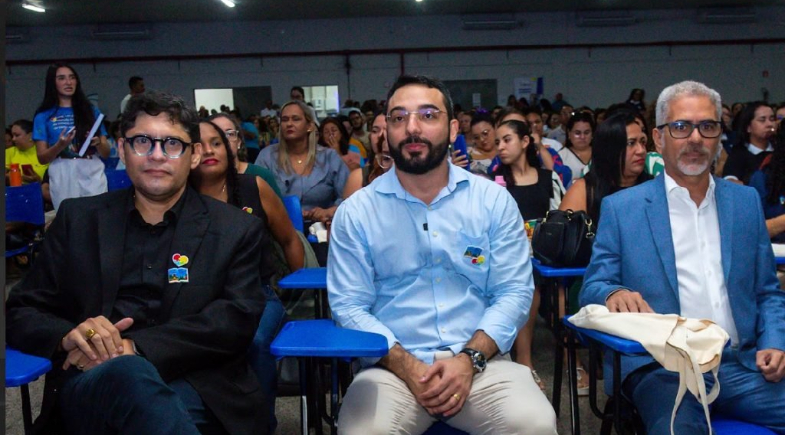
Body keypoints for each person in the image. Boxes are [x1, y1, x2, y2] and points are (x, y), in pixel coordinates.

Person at [6, 91, 273, 434]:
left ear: (192, 156)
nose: (157, 155)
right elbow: (21, 310)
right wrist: (70, 336)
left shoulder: (235, 229)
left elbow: (235, 320)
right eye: (142, 142)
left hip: (200, 384)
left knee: (136, 383)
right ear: (121, 150)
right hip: (92, 381)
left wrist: (133, 347)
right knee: (126, 379)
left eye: (172, 144)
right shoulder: (78, 219)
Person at [328, 74, 558, 435]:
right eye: (399, 117)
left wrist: (470, 359)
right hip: (390, 370)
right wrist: (407, 366)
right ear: (386, 130)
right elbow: (349, 306)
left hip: (484, 365)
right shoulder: (356, 212)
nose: (412, 128)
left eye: (428, 115)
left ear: (452, 130)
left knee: (536, 424)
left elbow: (513, 292)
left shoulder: (492, 201)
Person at [581, 80, 785, 435]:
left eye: (707, 126)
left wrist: (774, 341)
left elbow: (767, 291)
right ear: (659, 139)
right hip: (663, 367)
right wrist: (613, 294)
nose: (694, 138)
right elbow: (592, 287)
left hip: (740, 363)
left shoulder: (745, 203)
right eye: (680, 127)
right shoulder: (623, 209)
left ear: (720, 136)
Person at [191, 119, 301, 433]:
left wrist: (294, 292)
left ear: (230, 148)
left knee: (252, 341)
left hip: (259, 297)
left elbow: (290, 240)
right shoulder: (180, 198)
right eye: (199, 145)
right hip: (202, 301)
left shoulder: (255, 187)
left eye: (216, 142)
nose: (209, 150)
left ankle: (261, 424)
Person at [492, 119, 565, 391]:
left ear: (525, 142)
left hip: (545, 254)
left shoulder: (548, 178)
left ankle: (572, 360)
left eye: (506, 139)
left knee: (559, 291)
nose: (500, 146)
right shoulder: (497, 181)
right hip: (509, 257)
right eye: (497, 141)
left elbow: (561, 216)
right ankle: (524, 360)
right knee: (528, 285)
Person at [254, 100, 349, 225]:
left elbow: (349, 198)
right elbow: (255, 197)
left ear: (309, 126)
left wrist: (329, 211)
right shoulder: (266, 156)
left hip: (322, 229)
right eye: (285, 119)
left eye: (296, 119)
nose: (289, 124)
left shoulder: (329, 157)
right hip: (278, 229)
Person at [33, 63, 110, 210]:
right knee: (68, 216)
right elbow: (42, 158)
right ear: (52, 83)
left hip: (91, 166)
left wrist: (98, 142)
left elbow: (106, 153)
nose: (68, 82)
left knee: (96, 214)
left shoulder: (91, 110)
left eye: (72, 77)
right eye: (61, 78)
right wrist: (59, 146)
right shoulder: (43, 115)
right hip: (62, 168)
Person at [208, 112, 283, 199]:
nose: (224, 139)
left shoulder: (261, 175)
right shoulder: (202, 179)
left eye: (230, 134)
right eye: (217, 134)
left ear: (239, 142)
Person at [723, 101, 777, 184]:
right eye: (762, 120)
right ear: (748, 127)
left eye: (772, 119)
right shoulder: (738, 153)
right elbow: (730, 177)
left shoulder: (779, 150)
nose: (769, 124)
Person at [342, 111, 393, 198]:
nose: (381, 135)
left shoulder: (413, 175)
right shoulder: (358, 179)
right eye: (375, 131)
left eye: (387, 130)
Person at [557, 112, 595, 184]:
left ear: (592, 134)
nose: (582, 137)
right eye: (577, 133)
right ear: (569, 134)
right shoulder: (561, 156)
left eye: (587, 133)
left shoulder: (601, 152)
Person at [467, 111, 497, 176]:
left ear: (495, 128)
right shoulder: (468, 155)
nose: (482, 139)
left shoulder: (505, 149)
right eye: (476, 137)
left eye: (485, 133)